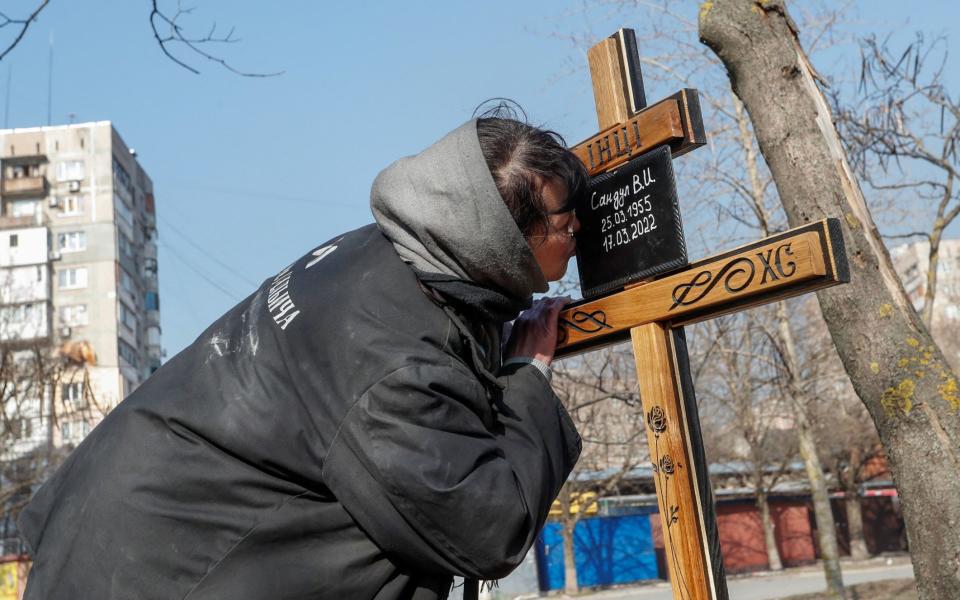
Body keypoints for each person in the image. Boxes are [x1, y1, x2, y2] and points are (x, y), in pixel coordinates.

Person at [18, 108, 586, 599]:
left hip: (107, 536)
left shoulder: (379, 255)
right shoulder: (395, 359)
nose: (580, 224)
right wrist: (525, 375)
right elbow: (485, 527)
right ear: (502, 240)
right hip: (163, 572)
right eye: (564, 217)